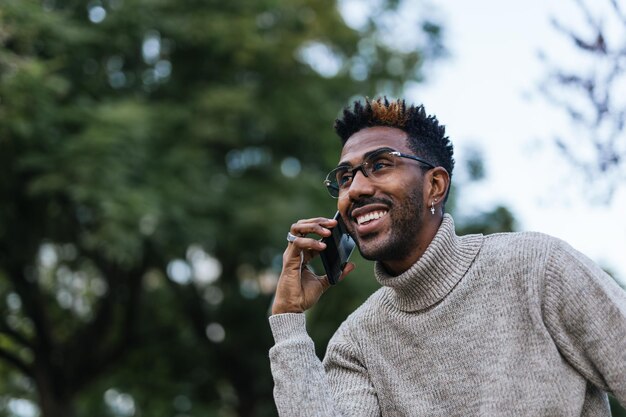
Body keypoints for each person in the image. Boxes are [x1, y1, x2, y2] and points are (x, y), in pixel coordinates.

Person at [268, 97, 626, 416]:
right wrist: (287, 321)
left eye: (379, 166)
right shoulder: (356, 343)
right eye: (345, 178)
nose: (356, 189)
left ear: (434, 186)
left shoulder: (538, 268)